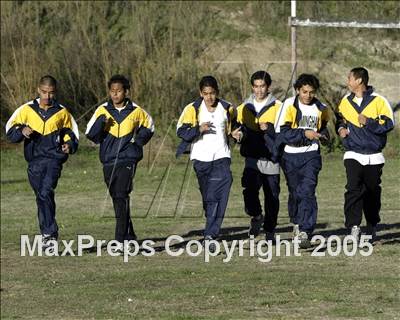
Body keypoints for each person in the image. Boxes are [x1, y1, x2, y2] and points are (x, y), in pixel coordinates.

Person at [5, 75, 79, 248]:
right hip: (34, 161)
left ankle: (50, 235)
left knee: (45, 192)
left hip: (54, 159)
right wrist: (22, 130)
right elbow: (10, 130)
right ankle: (47, 234)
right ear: (39, 90)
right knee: (42, 196)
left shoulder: (62, 112)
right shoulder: (26, 109)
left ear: (55, 92)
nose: (48, 96)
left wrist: (69, 145)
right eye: (44, 92)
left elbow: (72, 133)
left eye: (51, 93)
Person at [85, 74, 154, 252]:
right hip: (108, 161)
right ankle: (130, 236)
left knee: (121, 195)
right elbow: (91, 135)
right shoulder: (102, 110)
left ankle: (119, 240)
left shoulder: (136, 110)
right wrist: (102, 123)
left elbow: (150, 126)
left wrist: (136, 144)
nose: (115, 94)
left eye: (119, 91)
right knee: (118, 198)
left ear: (126, 91)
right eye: (112, 91)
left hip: (127, 160)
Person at [176, 75, 238, 251]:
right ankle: (211, 224)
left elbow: (235, 127)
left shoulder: (228, 108)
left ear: (217, 92)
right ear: (200, 93)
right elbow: (181, 131)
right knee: (209, 199)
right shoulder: (192, 109)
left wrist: (236, 134)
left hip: (222, 157)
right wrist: (198, 129)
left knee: (221, 194)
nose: (209, 97)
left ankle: (211, 235)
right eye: (205, 93)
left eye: (212, 93)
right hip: (201, 159)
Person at [335, 67, 394, 243]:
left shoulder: (379, 101)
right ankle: (353, 226)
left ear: (359, 80)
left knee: (372, 192)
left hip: (374, 155)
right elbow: (340, 119)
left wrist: (368, 122)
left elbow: (388, 124)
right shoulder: (345, 101)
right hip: (352, 153)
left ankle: (371, 224)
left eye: (350, 78)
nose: (348, 82)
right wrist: (341, 129)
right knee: (352, 189)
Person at [275, 74, 330, 248]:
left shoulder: (321, 108)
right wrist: (304, 133)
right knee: (295, 192)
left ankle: (306, 230)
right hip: (290, 155)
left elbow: (324, 128)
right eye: (304, 91)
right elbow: (282, 133)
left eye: (311, 92)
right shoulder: (288, 105)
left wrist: (324, 137)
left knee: (308, 190)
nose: (308, 95)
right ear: (298, 90)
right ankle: (297, 221)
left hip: (311, 155)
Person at [235, 71, 281, 242]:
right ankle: (256, 216)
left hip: (271, 159)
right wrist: (238, 136)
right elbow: (238, 130)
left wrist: (269, 128)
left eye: (262, 86)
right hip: (252, 159)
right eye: (256, 86)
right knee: (249, 193)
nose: (259, 90)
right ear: (252, 87)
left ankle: (270, 231)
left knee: (272, 197)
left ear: (268, 86)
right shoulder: (243, 108)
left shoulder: (279, 107)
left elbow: (284, 133)